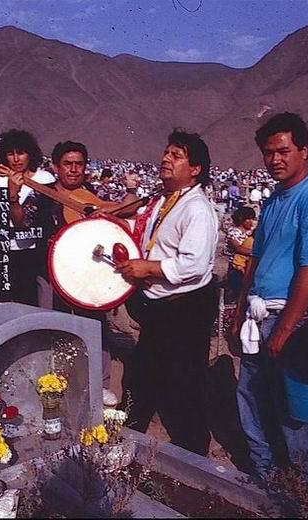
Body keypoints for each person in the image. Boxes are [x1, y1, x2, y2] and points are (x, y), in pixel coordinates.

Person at [231, 112, 308, 487]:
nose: (275, 160)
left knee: (295, 409)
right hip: (258, 314)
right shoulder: (275, 199)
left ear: (304, 150)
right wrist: (237, 311)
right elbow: (257, 258)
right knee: (252, 397)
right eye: (268, 153)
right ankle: (266, 475)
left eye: (283, 151)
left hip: (292, 317)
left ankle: (304, 489)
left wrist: (286, 327)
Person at [116, 129, 218, 456]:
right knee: (145, 375)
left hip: (185, 309)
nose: (166, 159)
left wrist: (147, 268)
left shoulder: (198, 209)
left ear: (196, 168)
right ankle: (131, 442)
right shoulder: (163, 201)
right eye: (166, 153)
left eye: (176, 156)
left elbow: (194, 264)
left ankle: (193, 458)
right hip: (160, 307)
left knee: (183, 385)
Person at [42, 140, 131, 407]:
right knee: (55, 327)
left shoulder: (90, 195)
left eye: (78, 164)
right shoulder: (43, 195)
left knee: (95, 324)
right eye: (67, 164)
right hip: (52, 275)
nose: (72, 170)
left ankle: (100, 384)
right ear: (56, 167)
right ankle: (57, 384)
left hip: (87, 274)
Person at [0, 129, 55, 307]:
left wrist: (13, 196)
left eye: (21, 153)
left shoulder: (44, 179)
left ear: (30, 154)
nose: (16, 159)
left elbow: (23, 224)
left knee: (37, 304)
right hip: (6, 252)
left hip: (36, 253)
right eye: (11, 153)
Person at [225, 206, 256, 303]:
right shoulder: (234, 232)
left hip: (248, 265)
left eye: (252, 219)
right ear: (241, 219)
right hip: (236, 267)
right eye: (248, 219)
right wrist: (255, 253)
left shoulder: (251, 232)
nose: (251, 222)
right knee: (236, 292)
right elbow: (237, 248)